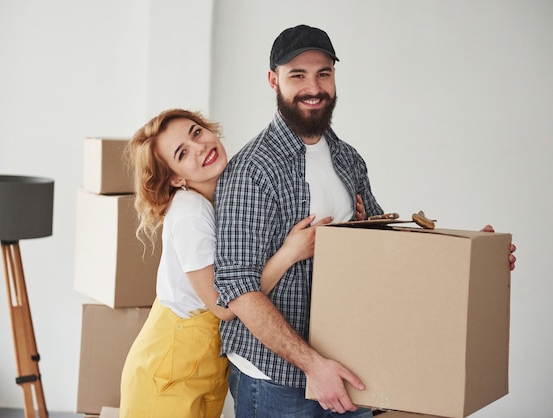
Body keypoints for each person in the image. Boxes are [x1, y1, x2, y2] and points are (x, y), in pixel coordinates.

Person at [213, 24, 517, 418]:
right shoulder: (253, 170)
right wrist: (312, 366)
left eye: (324, 73)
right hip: (277, 381)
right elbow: (238, 289)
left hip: (347, 370)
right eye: (297, 75)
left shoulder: (347, 159)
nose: (314, 87)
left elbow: (384, 253)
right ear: (274, 81)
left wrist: (472, 259)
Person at [119, 108, 332, 418]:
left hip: (195, 360)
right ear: (176, 177)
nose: (201, 146)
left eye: (197, 133)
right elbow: (224, 304)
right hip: (170, 368)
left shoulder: (224, 194)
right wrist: (290, 253)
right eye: (183, 152)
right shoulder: (191, 213)